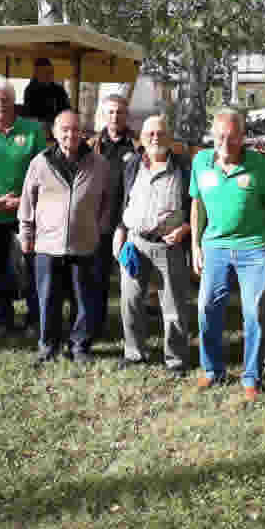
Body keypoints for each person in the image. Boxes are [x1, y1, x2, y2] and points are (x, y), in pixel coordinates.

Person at [189, 109, 265, 401]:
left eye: (232, 137)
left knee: (254, 313)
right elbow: (197, 207)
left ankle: (251, 377)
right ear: (213, 136)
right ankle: (212, 370)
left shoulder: (258, 164)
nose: (225, 142)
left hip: (253, 249)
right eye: (220, 136)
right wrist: (196, 246)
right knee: (207, 307)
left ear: (243, 137)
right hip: (214, 247)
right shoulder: (200, 163)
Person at [18, 110, 110, 365]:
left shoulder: (99, 164)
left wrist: (98, 229)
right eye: (65, 129)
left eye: (75, 129)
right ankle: (48, 346)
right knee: (47, 299)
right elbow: (28, 200)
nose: (70, 134)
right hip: (48, 244)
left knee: (83, 299)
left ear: (83, 133)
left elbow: (107, 202)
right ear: (55, 133)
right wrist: (26, 233)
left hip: (84, 244)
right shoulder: (40, 162)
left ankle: (79, 347)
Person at [113, 114, 192, 376]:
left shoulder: (183, 167)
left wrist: (186, 229)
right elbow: (123, 199)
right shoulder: (133, 164)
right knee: (130, 301)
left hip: (169, 246)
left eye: (160, 133)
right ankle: (135, 353)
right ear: (142, 139)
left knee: (173, 306)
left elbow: (197, 206)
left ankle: (176, 360)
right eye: (150, 134)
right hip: (135, 243)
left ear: (169, 138)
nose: (155, 138)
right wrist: (121, 231)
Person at [0, 78, 48, 337]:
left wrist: (22, 201)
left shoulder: (33, 130)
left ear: (14, 102)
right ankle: (4, 319)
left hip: (29, 213)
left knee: (34, 267)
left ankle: (35, 319)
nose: (0, 104)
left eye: (5, 100)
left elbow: (42, 172)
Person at [86, 94, 138, 342]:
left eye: (119, 112)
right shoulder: (92, 145)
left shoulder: (138, 145)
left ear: (126, 115)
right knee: (97, 277)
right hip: (101, 222)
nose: (115, 116)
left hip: (131, 222)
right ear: (103, 115)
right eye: (110, 112)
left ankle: (134, 331)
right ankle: (95, 327)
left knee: (134, 278)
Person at [22, 57, 70, 136]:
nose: (49, 75)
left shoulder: (59, 90)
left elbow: (66, 110)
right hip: (39, 128)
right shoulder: (30, 90)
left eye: (51, 72)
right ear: (36, 74)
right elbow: (30, 114)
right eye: (45, 72)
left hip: (58, 126)